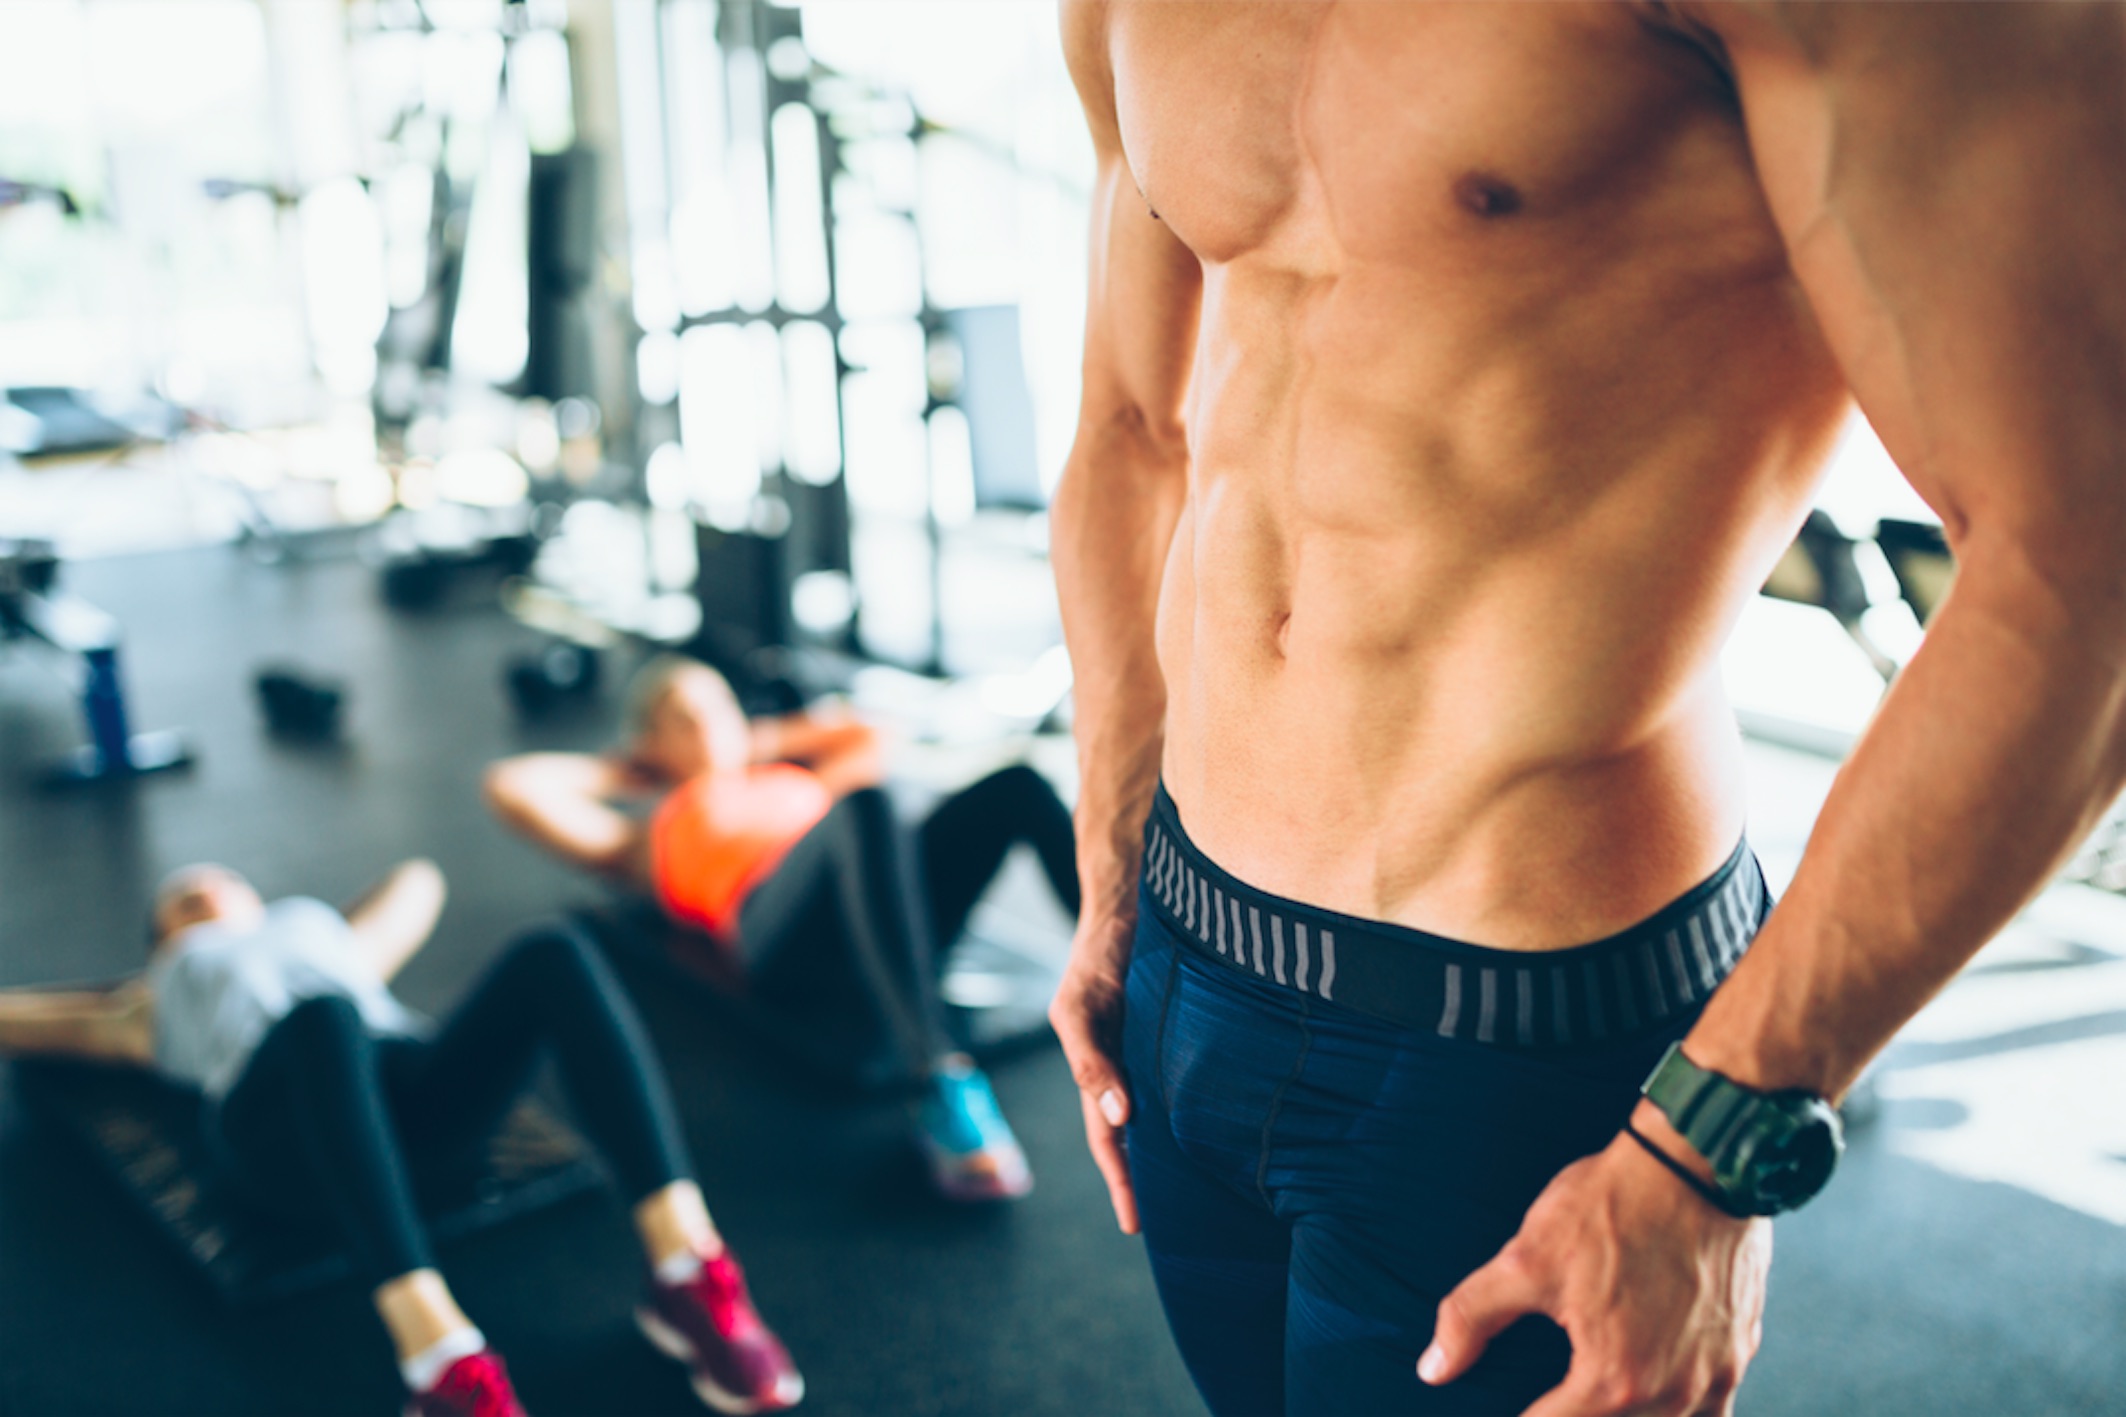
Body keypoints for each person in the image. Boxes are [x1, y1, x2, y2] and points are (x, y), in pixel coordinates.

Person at [1045, 3, 2126, 1415]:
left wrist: (1713, 1143)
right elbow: (1130, 429)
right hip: (1192, 958)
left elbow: (2084, 565)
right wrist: (1114, 870)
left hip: (1513, 1040)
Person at [0, 859, 804, 1417]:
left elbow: (420, 880)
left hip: (411, 1107)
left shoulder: (324, 935)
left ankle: (686, 1268)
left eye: (222, 881)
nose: (204, 889)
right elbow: (19, 1022)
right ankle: (439, 1361)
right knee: (323, 1016)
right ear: (159, 941)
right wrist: (128, 981)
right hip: (280, 1139)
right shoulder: (146, 1002)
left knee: (552, 950)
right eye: (180, 900)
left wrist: (328, 929)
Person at [484, 656, 1082, 1202]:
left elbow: (867, 729)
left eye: (718, 707)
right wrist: (628, 771)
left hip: (874, 913)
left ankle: (1130, 968)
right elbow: (511, 787)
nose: (707, 724)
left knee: (1017, 785)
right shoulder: (649, 834)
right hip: (785, 944)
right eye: (683, 718)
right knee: (864, 804)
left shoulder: (790, 780)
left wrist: (755, 740)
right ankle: (937, 1081)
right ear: (651, 742)